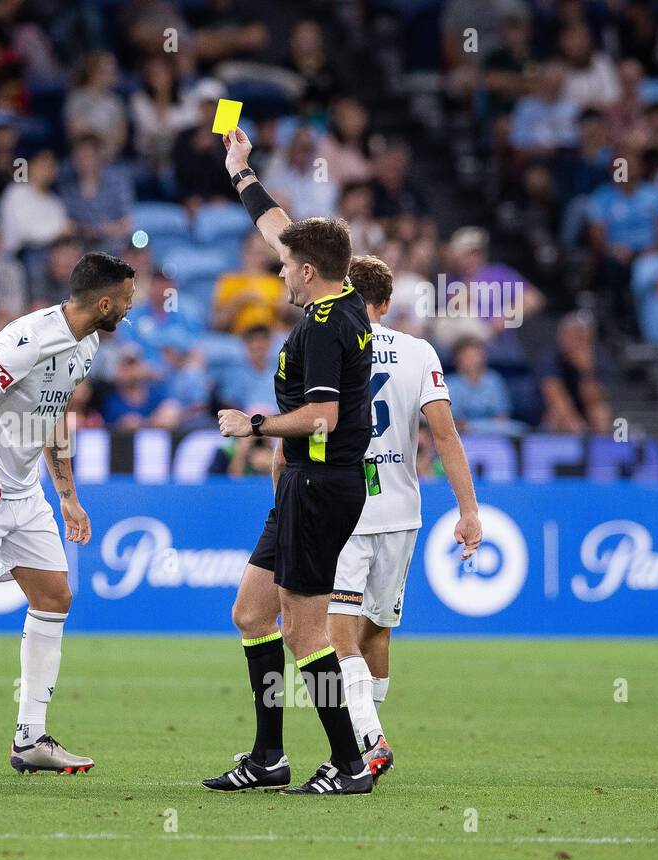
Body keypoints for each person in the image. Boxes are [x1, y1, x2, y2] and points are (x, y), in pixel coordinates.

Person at [202, 127, 374, 796]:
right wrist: (241, 172)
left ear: (308, 272)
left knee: (305, 633)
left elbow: (324, 418)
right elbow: (283, 232)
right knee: (251, 613)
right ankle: (269, 757)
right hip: (301, 483)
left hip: (322, 482)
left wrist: (255, 423)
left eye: (284, 264)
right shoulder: (342, 292)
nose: (277, 269)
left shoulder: (325, 326)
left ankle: (349, 761)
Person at [0, 251, 134, 777]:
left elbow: (54, 414)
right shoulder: (24, 339)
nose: (130, 312)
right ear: (106, 302)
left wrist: (67, 494)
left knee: (55, 594)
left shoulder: (87, 343)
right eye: (128, 302)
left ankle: (30, 739)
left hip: (25, 489)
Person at [324, 256, 481, 775]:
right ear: (387, 303)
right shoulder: (419, 351)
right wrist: (468, 510)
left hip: (346, 505)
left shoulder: (331, 341)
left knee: (336, 629)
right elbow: (444, 435)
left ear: (346, 294)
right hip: (402, 512)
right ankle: (369, 736)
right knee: (378, 628)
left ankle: (369, 735)